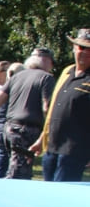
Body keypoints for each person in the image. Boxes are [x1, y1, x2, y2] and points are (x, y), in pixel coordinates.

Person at [0, 49, 55, 179]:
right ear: (46, 61)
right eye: (52, 63)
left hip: (9, 128)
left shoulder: (16, 77)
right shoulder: (46, 78)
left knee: (17, 168)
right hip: (27, 130)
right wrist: (47, 133)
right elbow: (47, 108)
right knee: (18, 174)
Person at [31, 28, 90, 182]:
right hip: (52, 146)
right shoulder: (67, 72)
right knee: (47, 192)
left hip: (75, 150)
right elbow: (53, 110)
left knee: (62, 194)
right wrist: (41, 139)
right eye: (82, 47)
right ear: (74, 48)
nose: (85, 52)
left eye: (89, 49)